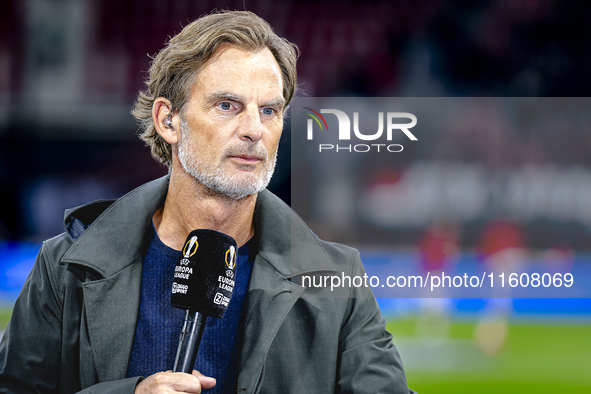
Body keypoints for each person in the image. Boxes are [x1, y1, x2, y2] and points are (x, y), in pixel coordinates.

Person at [0, 11, 414, 394]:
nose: (254, 129)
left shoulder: (338, 280)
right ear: (168, 121)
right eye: (227, 105)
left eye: (269, 110)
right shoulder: (66, 267)